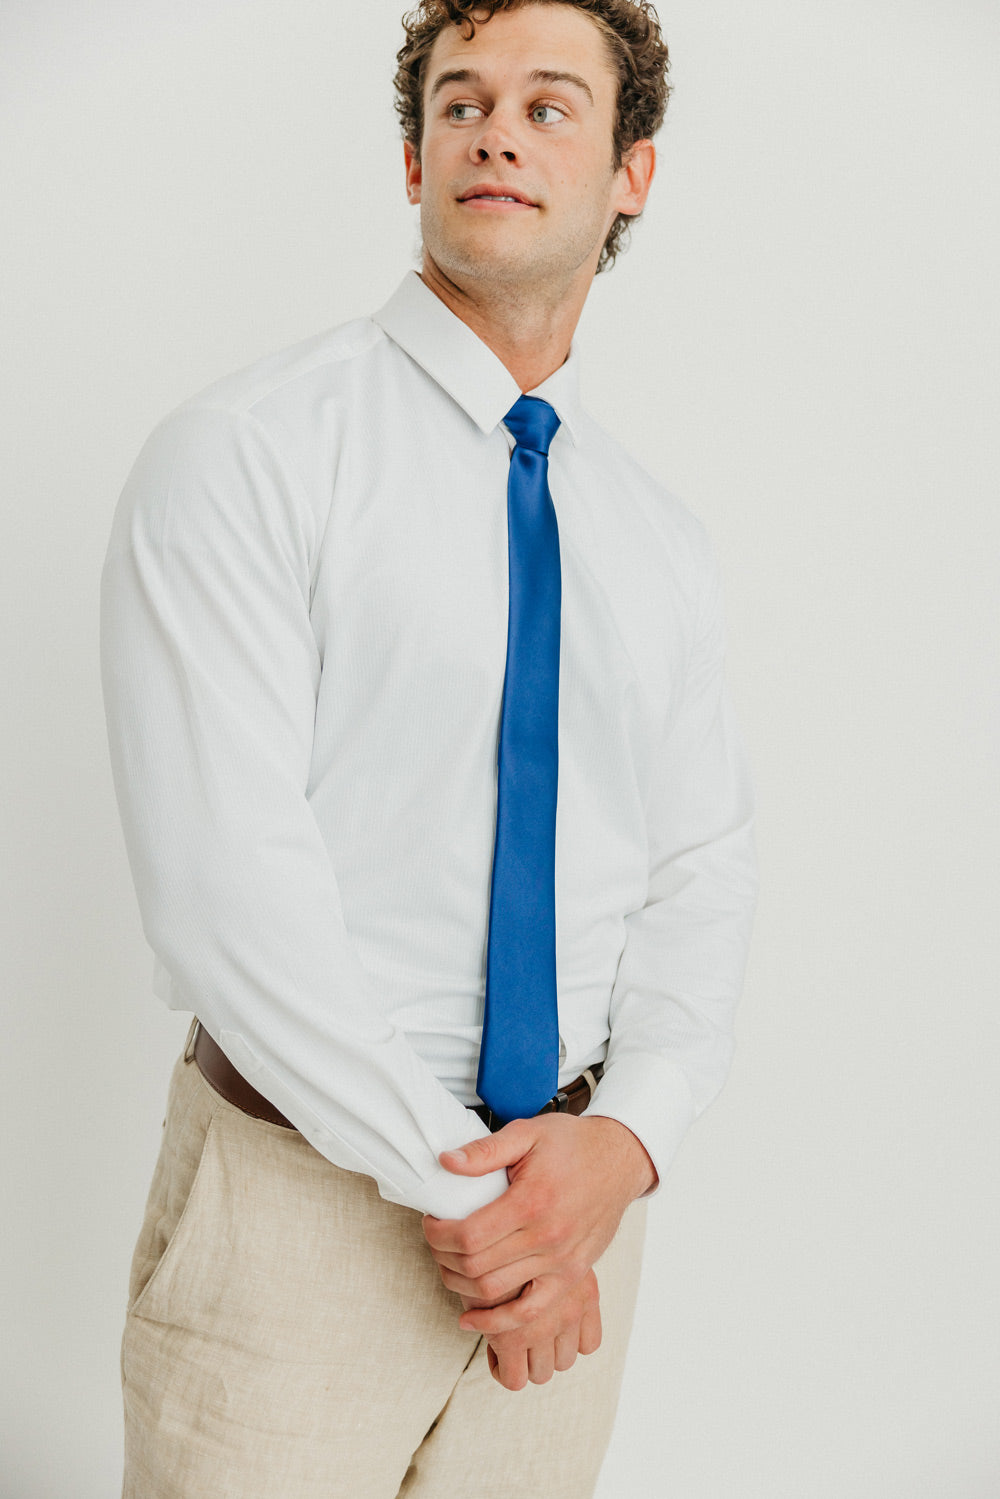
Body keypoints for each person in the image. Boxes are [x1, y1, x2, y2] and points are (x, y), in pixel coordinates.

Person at [100, 1, 757, 1495]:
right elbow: (224, 894)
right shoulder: (248, 455)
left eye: (548, 106)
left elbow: (701, 867)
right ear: (414, 161)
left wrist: (624, 1145)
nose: (496, 135)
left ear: (632, 173)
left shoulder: (656, 538)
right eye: (461, 103)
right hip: (299, 1216)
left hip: (574, 1223)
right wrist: (466, 1196)